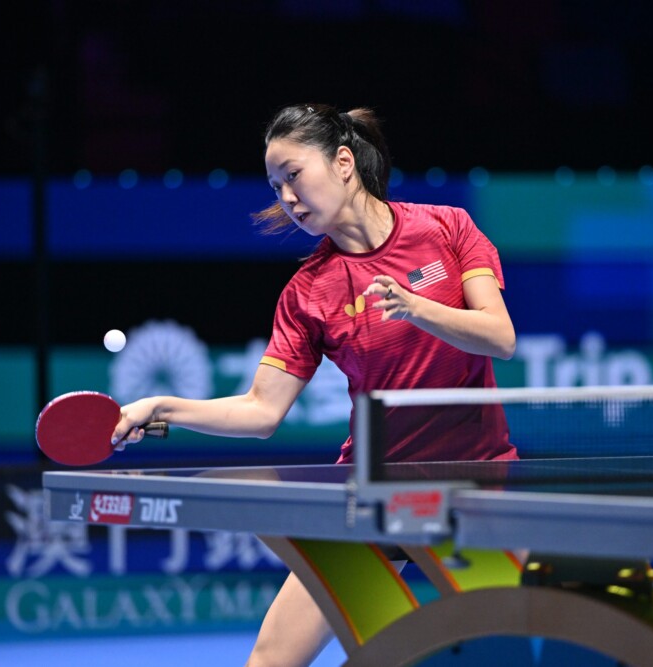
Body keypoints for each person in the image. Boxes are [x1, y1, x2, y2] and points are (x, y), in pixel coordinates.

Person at [111, 102, 517, 667]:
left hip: (478, 486)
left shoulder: (447, 228)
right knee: (271, 660)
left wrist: (416, 307)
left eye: (294, 175)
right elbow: (261, 411)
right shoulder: (309, 292)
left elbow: (499, 337)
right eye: (276, 187)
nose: (287, 197)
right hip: (374, 494)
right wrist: (162, 406)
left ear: (343, 163)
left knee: (513, 649)